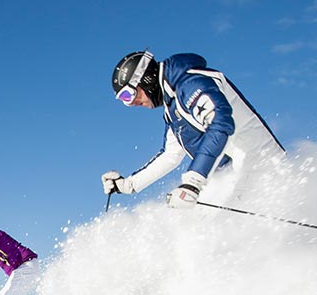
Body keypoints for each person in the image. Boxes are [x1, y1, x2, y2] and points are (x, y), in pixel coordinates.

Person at [101, 50, 286, 208]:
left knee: (218, 230)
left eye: (129, 94)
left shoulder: (191, 83)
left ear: (146, 80)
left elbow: (220, 123)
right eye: (124, 100)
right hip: (232, 177)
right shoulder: (172, 108)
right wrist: (128, 185)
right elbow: (171, 155)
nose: (131, 103)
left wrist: (193, 182)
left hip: (261, 169)